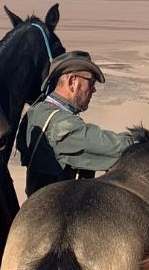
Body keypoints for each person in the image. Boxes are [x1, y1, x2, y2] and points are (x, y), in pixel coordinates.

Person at [17, 50, 135, 197]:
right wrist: (144, 140)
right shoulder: (61, 124)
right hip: (61, 212)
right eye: (91, 82)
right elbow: (114, 147)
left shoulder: (36, 111)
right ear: (72, 81)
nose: (94, 89)